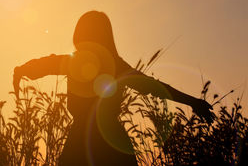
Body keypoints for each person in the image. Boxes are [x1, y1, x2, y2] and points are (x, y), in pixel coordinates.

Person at [13, 10, 213, 165]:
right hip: (113, 143)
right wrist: (193, 101)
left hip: (79, 143)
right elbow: (153, 86)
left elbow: (43, 64)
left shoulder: (74, 61)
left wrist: (21, 70)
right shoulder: (116, 65)